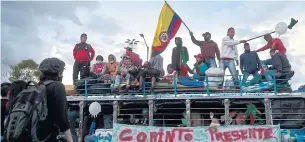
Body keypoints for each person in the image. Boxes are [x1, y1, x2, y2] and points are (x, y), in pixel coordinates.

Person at [37, 57, 73, 142]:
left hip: (32, 135)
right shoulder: (58, 86)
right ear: (59, 73)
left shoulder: (37, 86)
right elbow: (62, 117)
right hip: (46, 136)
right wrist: (70, 139)